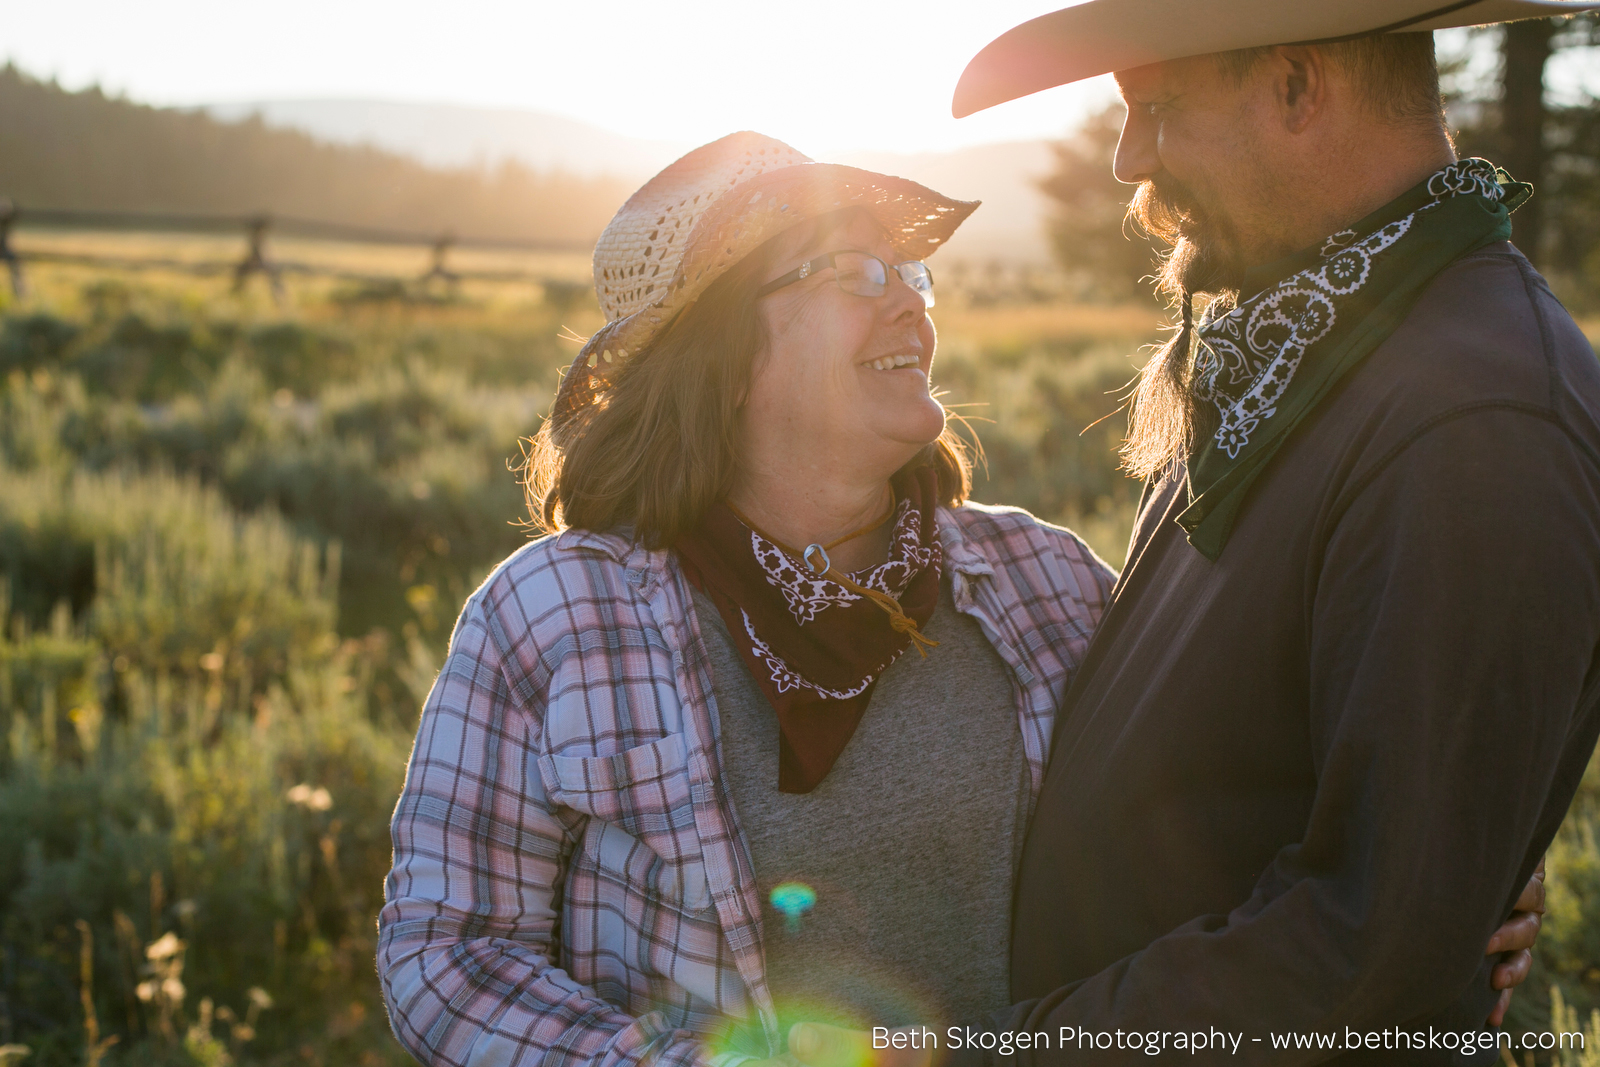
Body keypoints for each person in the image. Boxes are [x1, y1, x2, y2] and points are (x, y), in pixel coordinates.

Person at [376, 132, 1546, 1067]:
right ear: (723, 355)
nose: (911, 306)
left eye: (913, 272)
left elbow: (1215, 815)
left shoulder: (1039, 578)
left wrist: (1420, 862)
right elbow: (444, 953)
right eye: (853, 274)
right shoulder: (555, 615)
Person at [785, 3, 1600, 1065]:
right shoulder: (1299, 338)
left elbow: (1368, 953)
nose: (1129, 160)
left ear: (1299, 87)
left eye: (1159, 108)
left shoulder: (1476, 418)